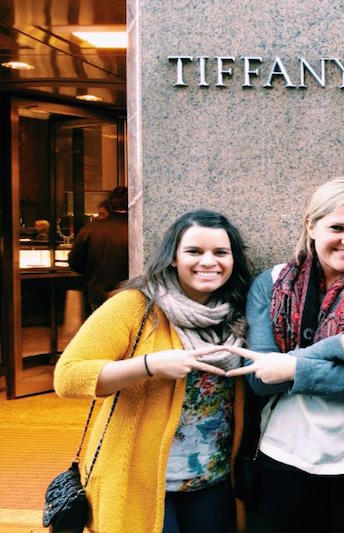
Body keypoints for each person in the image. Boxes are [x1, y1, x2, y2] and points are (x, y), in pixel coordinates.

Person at [225, 178, 344, 532]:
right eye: (337, 227)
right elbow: (260, 378)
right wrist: (337, 349)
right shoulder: (272, 284)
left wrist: (292, 368)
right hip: (286, 455)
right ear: (311, 225)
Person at [54, 209, 253, 533]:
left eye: (220, 252)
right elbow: (68, 376)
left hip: (212, 481)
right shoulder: (136, 305)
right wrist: (149, 366)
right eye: (194, 251)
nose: (208, 261)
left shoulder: (236, 315)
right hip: (139, 481)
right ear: (173, 257)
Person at [68, 186, 129, 313]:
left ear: (110, 205)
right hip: (134, 294)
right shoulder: (141, 228)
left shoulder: (91, 229)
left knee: (103, 329)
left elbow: (75, 262)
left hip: (99, 293)